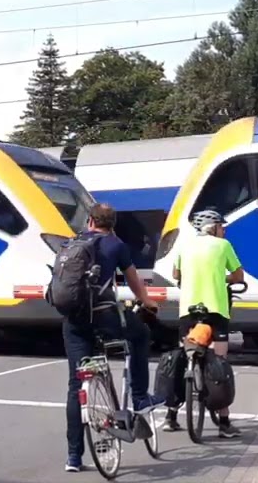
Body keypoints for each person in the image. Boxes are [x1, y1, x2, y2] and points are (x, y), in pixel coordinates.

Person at [60, 202, 165, 473]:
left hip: (74, 321)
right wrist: (148, 302)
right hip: (105, 317)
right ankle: (140, 397)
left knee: (76, 384)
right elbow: (133, 281)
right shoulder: (116, 245)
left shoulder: (71, 244)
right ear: (112, 224)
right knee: (140, 334)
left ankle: (73, 457)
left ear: (90, 221)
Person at [164, 208, 244, 439]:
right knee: (220, 365)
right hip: (215, 312)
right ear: (213, 227)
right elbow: (238, 277)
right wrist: (221, 277)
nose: (224, 229)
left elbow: (176, 275)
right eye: (221, 225)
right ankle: (225, 423)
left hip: (188, 312)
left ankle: (171, 415)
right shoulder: (223, 246)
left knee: (182, 358)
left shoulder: (184, 246)